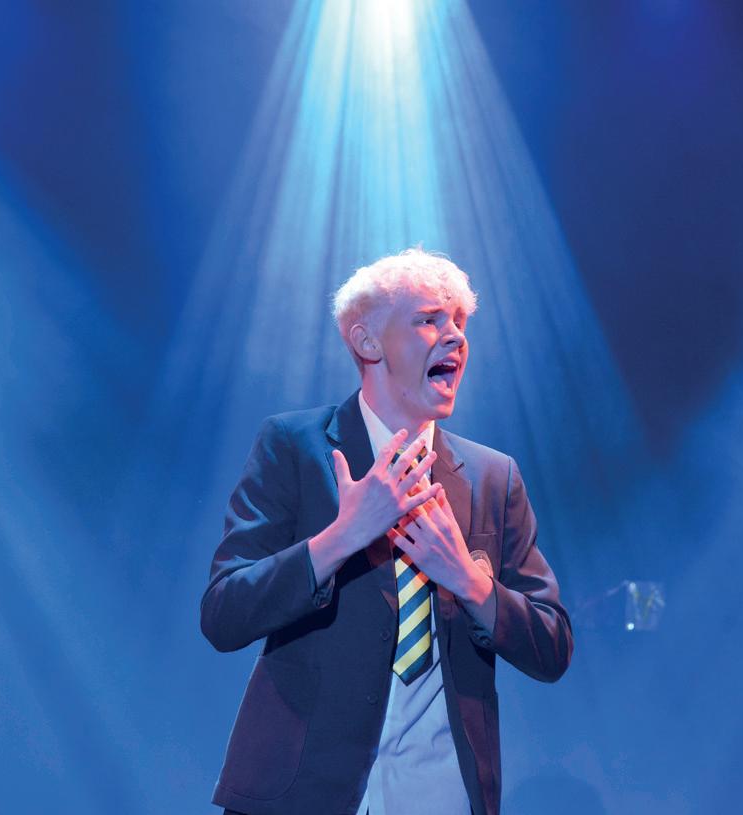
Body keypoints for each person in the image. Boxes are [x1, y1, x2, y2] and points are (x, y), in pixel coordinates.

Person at [201, 248, 572, 815]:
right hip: (301, 794)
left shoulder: (494, 478)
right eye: (428, 319)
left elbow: (552, 647)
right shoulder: (294, 447)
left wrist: (469, 582)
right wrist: (342, 537)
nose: (455, 336)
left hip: (441, 796)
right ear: (368, 342)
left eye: (460, 321)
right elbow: (224, 614)